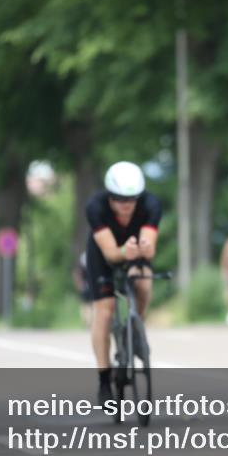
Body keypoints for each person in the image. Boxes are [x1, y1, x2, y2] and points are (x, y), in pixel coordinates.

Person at [85, 161, 162, 406]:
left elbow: (148, 247)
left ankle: (134, 331)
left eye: (131, 199)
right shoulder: (95, 207)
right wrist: (124, 251)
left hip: (134, 251)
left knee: (144, 282)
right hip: (104, 254)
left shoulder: (151, 205)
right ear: (109, 196)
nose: (125, 205)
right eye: (118, 199)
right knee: (104, 311)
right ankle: (104, 378)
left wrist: (145, 250)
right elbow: (110, 254)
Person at [73, 252, 94, 327]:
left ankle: (88, 321)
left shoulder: (82, 265)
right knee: (88, 305)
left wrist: (80, 285)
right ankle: (89, 321)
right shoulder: (91, 264)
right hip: (88, 287)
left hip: (86, 287)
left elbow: (77, 275)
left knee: (86, 305)